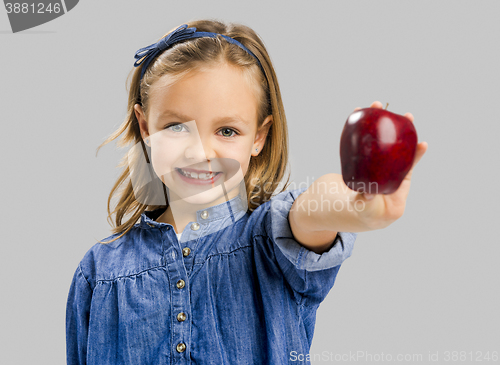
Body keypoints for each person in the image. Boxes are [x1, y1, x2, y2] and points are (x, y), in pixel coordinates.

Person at [66, 19, 427, 365]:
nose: (200, 152)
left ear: (259, 136)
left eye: (226, 131)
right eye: (176, 126)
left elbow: (314, 208)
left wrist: (356, 204)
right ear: (146, 127)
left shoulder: (272, 242)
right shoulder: (98, 272)